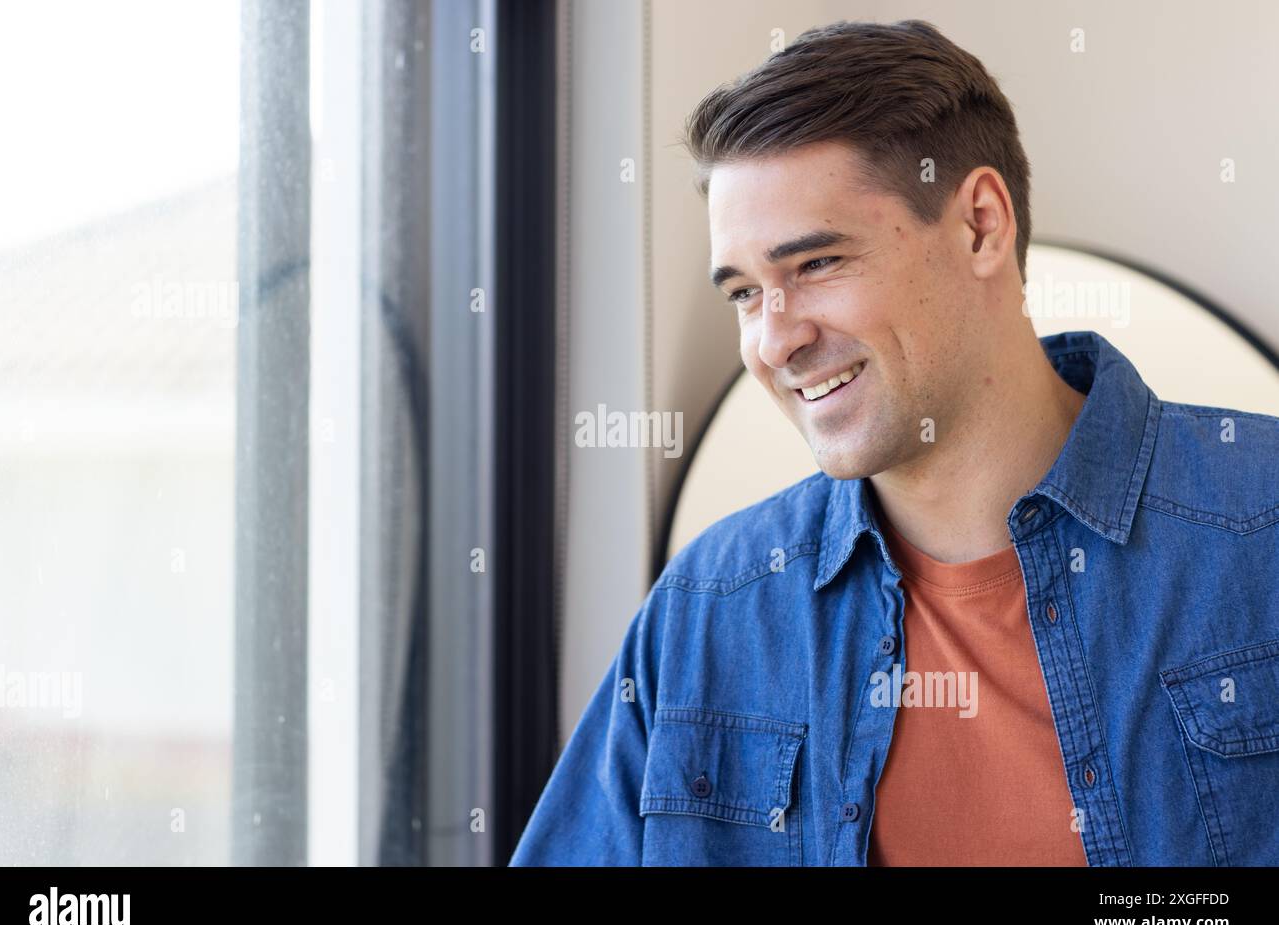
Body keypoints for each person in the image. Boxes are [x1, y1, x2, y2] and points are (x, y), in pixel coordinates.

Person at [509, 18, 1279, 866]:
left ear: (982, 225)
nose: (775, 341)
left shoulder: (1262, 526)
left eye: (817, 265)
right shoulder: (705, 610)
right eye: (744, 293)